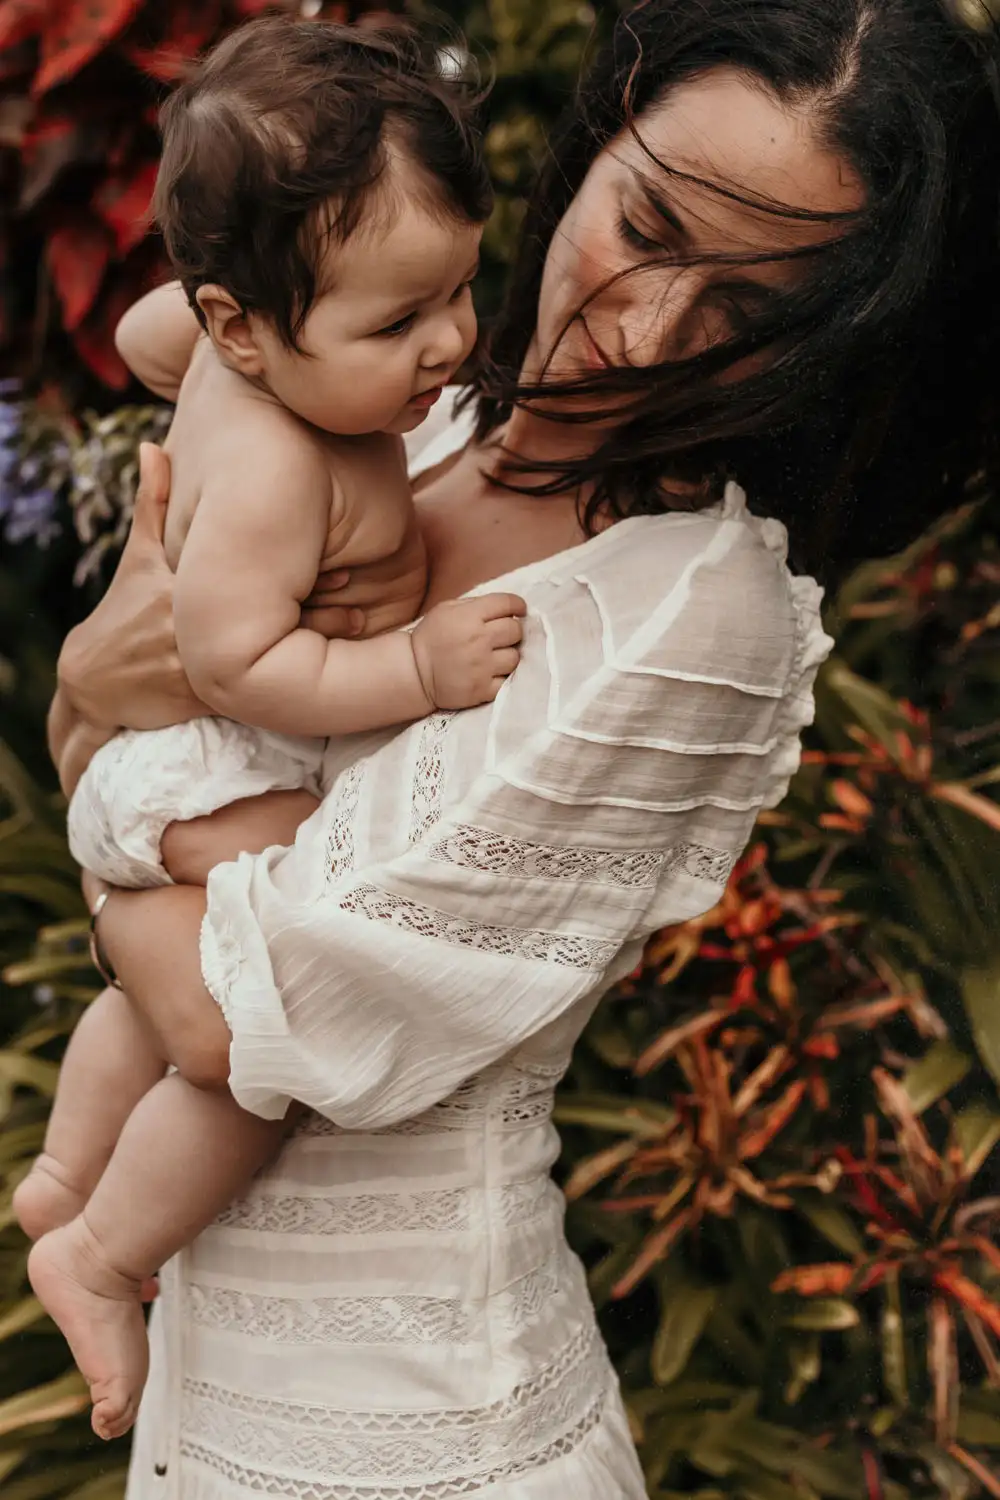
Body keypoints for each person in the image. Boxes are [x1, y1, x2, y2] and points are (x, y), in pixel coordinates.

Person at [40, 1, 1000, 1495]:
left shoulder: (692, 614)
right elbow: (142, 725)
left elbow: (247, 1015)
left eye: (750, 313)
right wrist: (110, 724)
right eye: (648, 222)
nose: (652, 329)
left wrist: (102, 768)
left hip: (417, 1426)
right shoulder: (401, 407)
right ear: (597, 127)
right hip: (218, 1380)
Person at [14, 18, 526, 1443]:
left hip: (191, 765)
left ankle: (62, 1171)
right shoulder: (274, 471)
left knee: (176, 981)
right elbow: (234, 662)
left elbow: (142, 329)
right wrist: (415, 667)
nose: (446, 346)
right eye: (393, 326)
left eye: (460, 292)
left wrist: (227, 328)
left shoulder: (219, 345)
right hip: (202, 759)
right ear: (248, 323)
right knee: (256, 1038)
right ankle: (102, 1257)